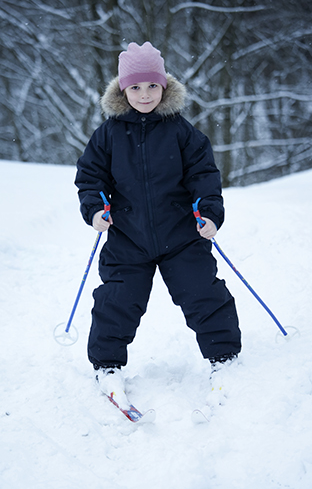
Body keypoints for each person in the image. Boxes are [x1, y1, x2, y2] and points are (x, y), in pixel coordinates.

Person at [75, 42, 241, 401]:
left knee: (202, 292)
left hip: (181, 234)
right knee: (117, 300)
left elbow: (203, 175)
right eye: (135, 87)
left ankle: (224, 356)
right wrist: (95, 209)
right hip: (127, 238)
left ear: (164, 85)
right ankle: (107, 365)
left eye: (152, 86)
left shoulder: (181, 131)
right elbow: (90, 177)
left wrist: (209, 212)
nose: (145, 94)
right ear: (122, 90)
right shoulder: (109, 134)